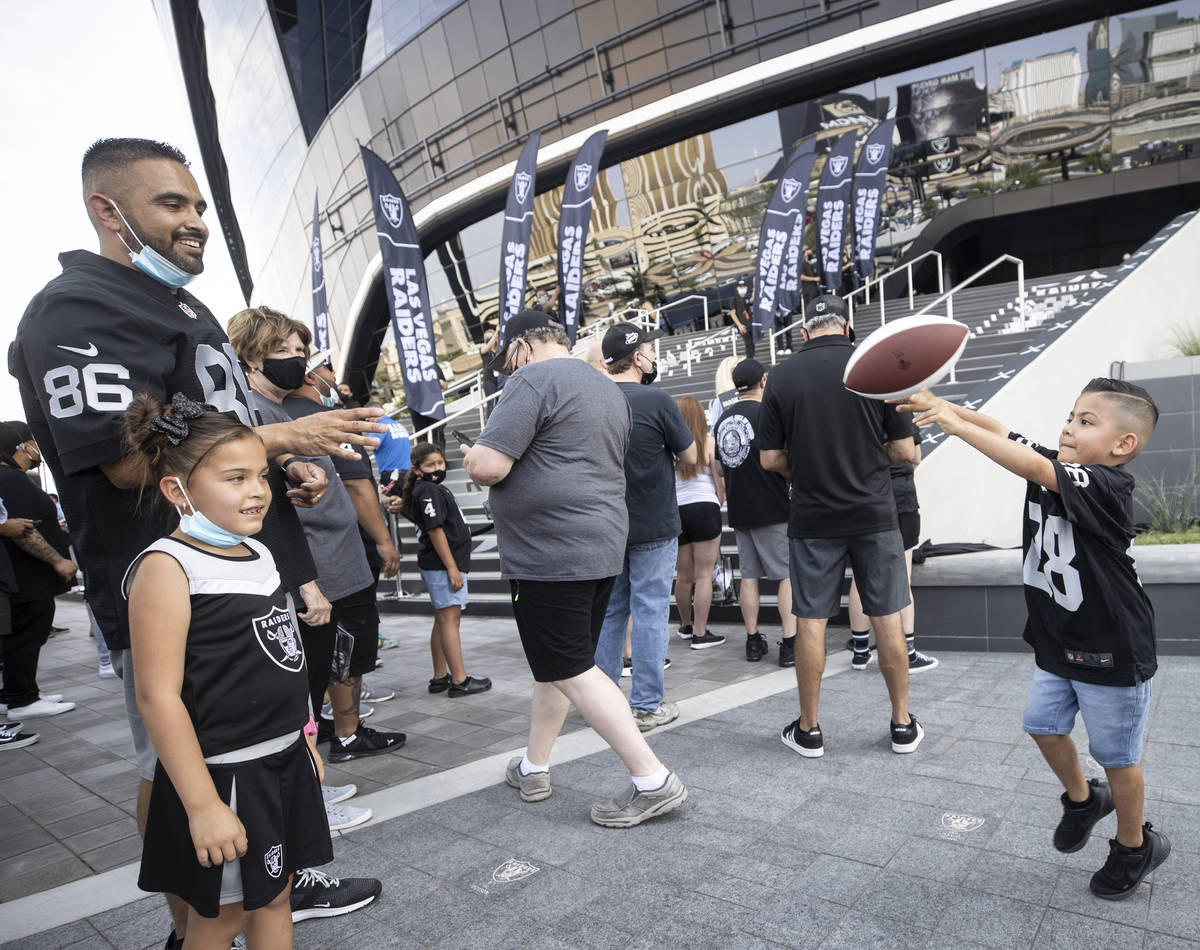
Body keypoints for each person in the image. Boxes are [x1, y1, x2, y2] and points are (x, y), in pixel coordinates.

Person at [11, 138, 387, 942]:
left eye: (200, 206)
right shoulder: (76, 309)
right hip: (178, 588)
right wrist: (285, 442)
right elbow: (120, 461)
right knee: (178, 759)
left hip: (247, 570)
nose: (197, 223)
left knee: (270, 738)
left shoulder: (183, 306)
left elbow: (215, 436)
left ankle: (271, 878)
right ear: (107, 212)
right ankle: (197, 919)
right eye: (171, 205)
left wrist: (277, 477)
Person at [897, 379, 1167, 900]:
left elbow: (1031, 466)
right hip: (1057, 638)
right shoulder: (1058, 465)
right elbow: (1004, 432)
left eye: (1087, 421)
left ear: (1122, 445)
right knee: (1042, 726)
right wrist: (944, 406)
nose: (1069, 425)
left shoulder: (1105, 485)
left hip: (1112, 645)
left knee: (1118, 757)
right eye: (1071, 415)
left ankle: (1134, 846)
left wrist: (951, 427)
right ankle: (1085, 800)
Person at [122, 393, 333, 948]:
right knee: (222, 919)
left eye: (260, 476)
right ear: (178, 490)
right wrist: (202, 805)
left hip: (285, 761)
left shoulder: (259, 554)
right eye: (235, 478)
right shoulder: (167, 568)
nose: (258, 491)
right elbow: (158, 698)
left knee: (279, 895)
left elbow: (286, 652)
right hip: (225, 776)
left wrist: (307, 736)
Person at [464, 310, 687, 827]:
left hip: (550, 552)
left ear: (521, 347)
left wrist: (476, 451)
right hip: (599, 541)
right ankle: (534, 766)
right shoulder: (605, 384)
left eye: (504, 353)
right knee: (561, 665)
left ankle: (651, 779)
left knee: (572, 668)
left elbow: (487, 465)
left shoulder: (531, 379)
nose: (504, 363)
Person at [227, 308, 404, 766]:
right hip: (310, 572)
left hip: (332, 562)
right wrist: (305, 582)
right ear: (248, 357)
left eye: (299, 351)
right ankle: (323, 760)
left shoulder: (288, 409)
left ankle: (326, 747)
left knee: (336, 662)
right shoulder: (250, 415)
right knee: (314, 672)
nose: (296, 359)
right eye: (280, 351)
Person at [757, 294, 923, 758]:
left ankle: (809, 731)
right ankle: (901, 725)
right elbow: (905, 450)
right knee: (886, 614)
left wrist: (805, 472)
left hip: (812, 517)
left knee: (809, 619)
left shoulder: (782, 376)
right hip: (874, 513)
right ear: (848, 327)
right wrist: (870, 462)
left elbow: (770, 458)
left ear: (804, 332)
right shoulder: (877, 366)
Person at [595, 322, 697, 730]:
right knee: (651, 611)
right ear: (637, 358)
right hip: (653, 522)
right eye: (650, 351)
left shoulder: (593, 399)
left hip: (605, 524)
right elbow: (690, 456)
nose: (654, 358)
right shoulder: (656, 399)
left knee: (609, 613)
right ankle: (647, 704)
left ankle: (601, 704)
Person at [714, 359, 795, 663]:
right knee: (787, 576)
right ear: (763, 380)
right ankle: (789, 644)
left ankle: (752, 640)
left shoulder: (723, 419)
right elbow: (782, 457)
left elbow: (720, 467)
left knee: (749, 577)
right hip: (772, 506)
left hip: (740, 507)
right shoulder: (768, 413)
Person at [398, 443, 491, 695]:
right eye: (431, 465)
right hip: (443, 565)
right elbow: (435, 530)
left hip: (442, 565)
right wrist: (452, 568)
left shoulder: (430, 488)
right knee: (450, 620)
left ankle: (440, 676)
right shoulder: (428, 490)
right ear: (417, 469)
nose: (438, 468)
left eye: (440, 463)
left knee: (442, 619)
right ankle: (459, 680)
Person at [0, 423, 78, 720]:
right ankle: (22, 698)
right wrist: (59, 560)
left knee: (24, 637)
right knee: (27, 636)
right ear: (21, 446)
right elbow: (24, 529)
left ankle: (16, 693)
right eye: (33, 443)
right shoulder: (9, 479)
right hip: (27, 579)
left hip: (23, 578)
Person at [846, 435, 938, 673]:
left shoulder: (854, 401)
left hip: (862, 497)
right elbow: (913, 455)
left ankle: (860, 651)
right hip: (899, 496)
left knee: (860, 576)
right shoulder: (898, 402)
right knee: (902, 576)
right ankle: (907, 653)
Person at [672, 396, 725, 650]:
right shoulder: (709, 443)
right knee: (704, 575)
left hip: (677, 511)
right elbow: (720, 482)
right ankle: (701, 634)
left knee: (683, 577)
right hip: (705, 507)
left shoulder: (669, 446)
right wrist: (718, 502)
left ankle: (685, 626)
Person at [730, 278, 755, 359]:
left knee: (752, 343)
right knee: (748, 343)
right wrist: (739, 325)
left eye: (744, 287)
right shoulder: (734, 299)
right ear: (737, 288)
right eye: (740, 287)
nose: (742, 288)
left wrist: (755, 286)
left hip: (749, 323)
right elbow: (732, 313)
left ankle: (751, 360)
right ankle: (749, 360)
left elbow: (752, 299)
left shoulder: (745, 298)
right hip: (742, 324)